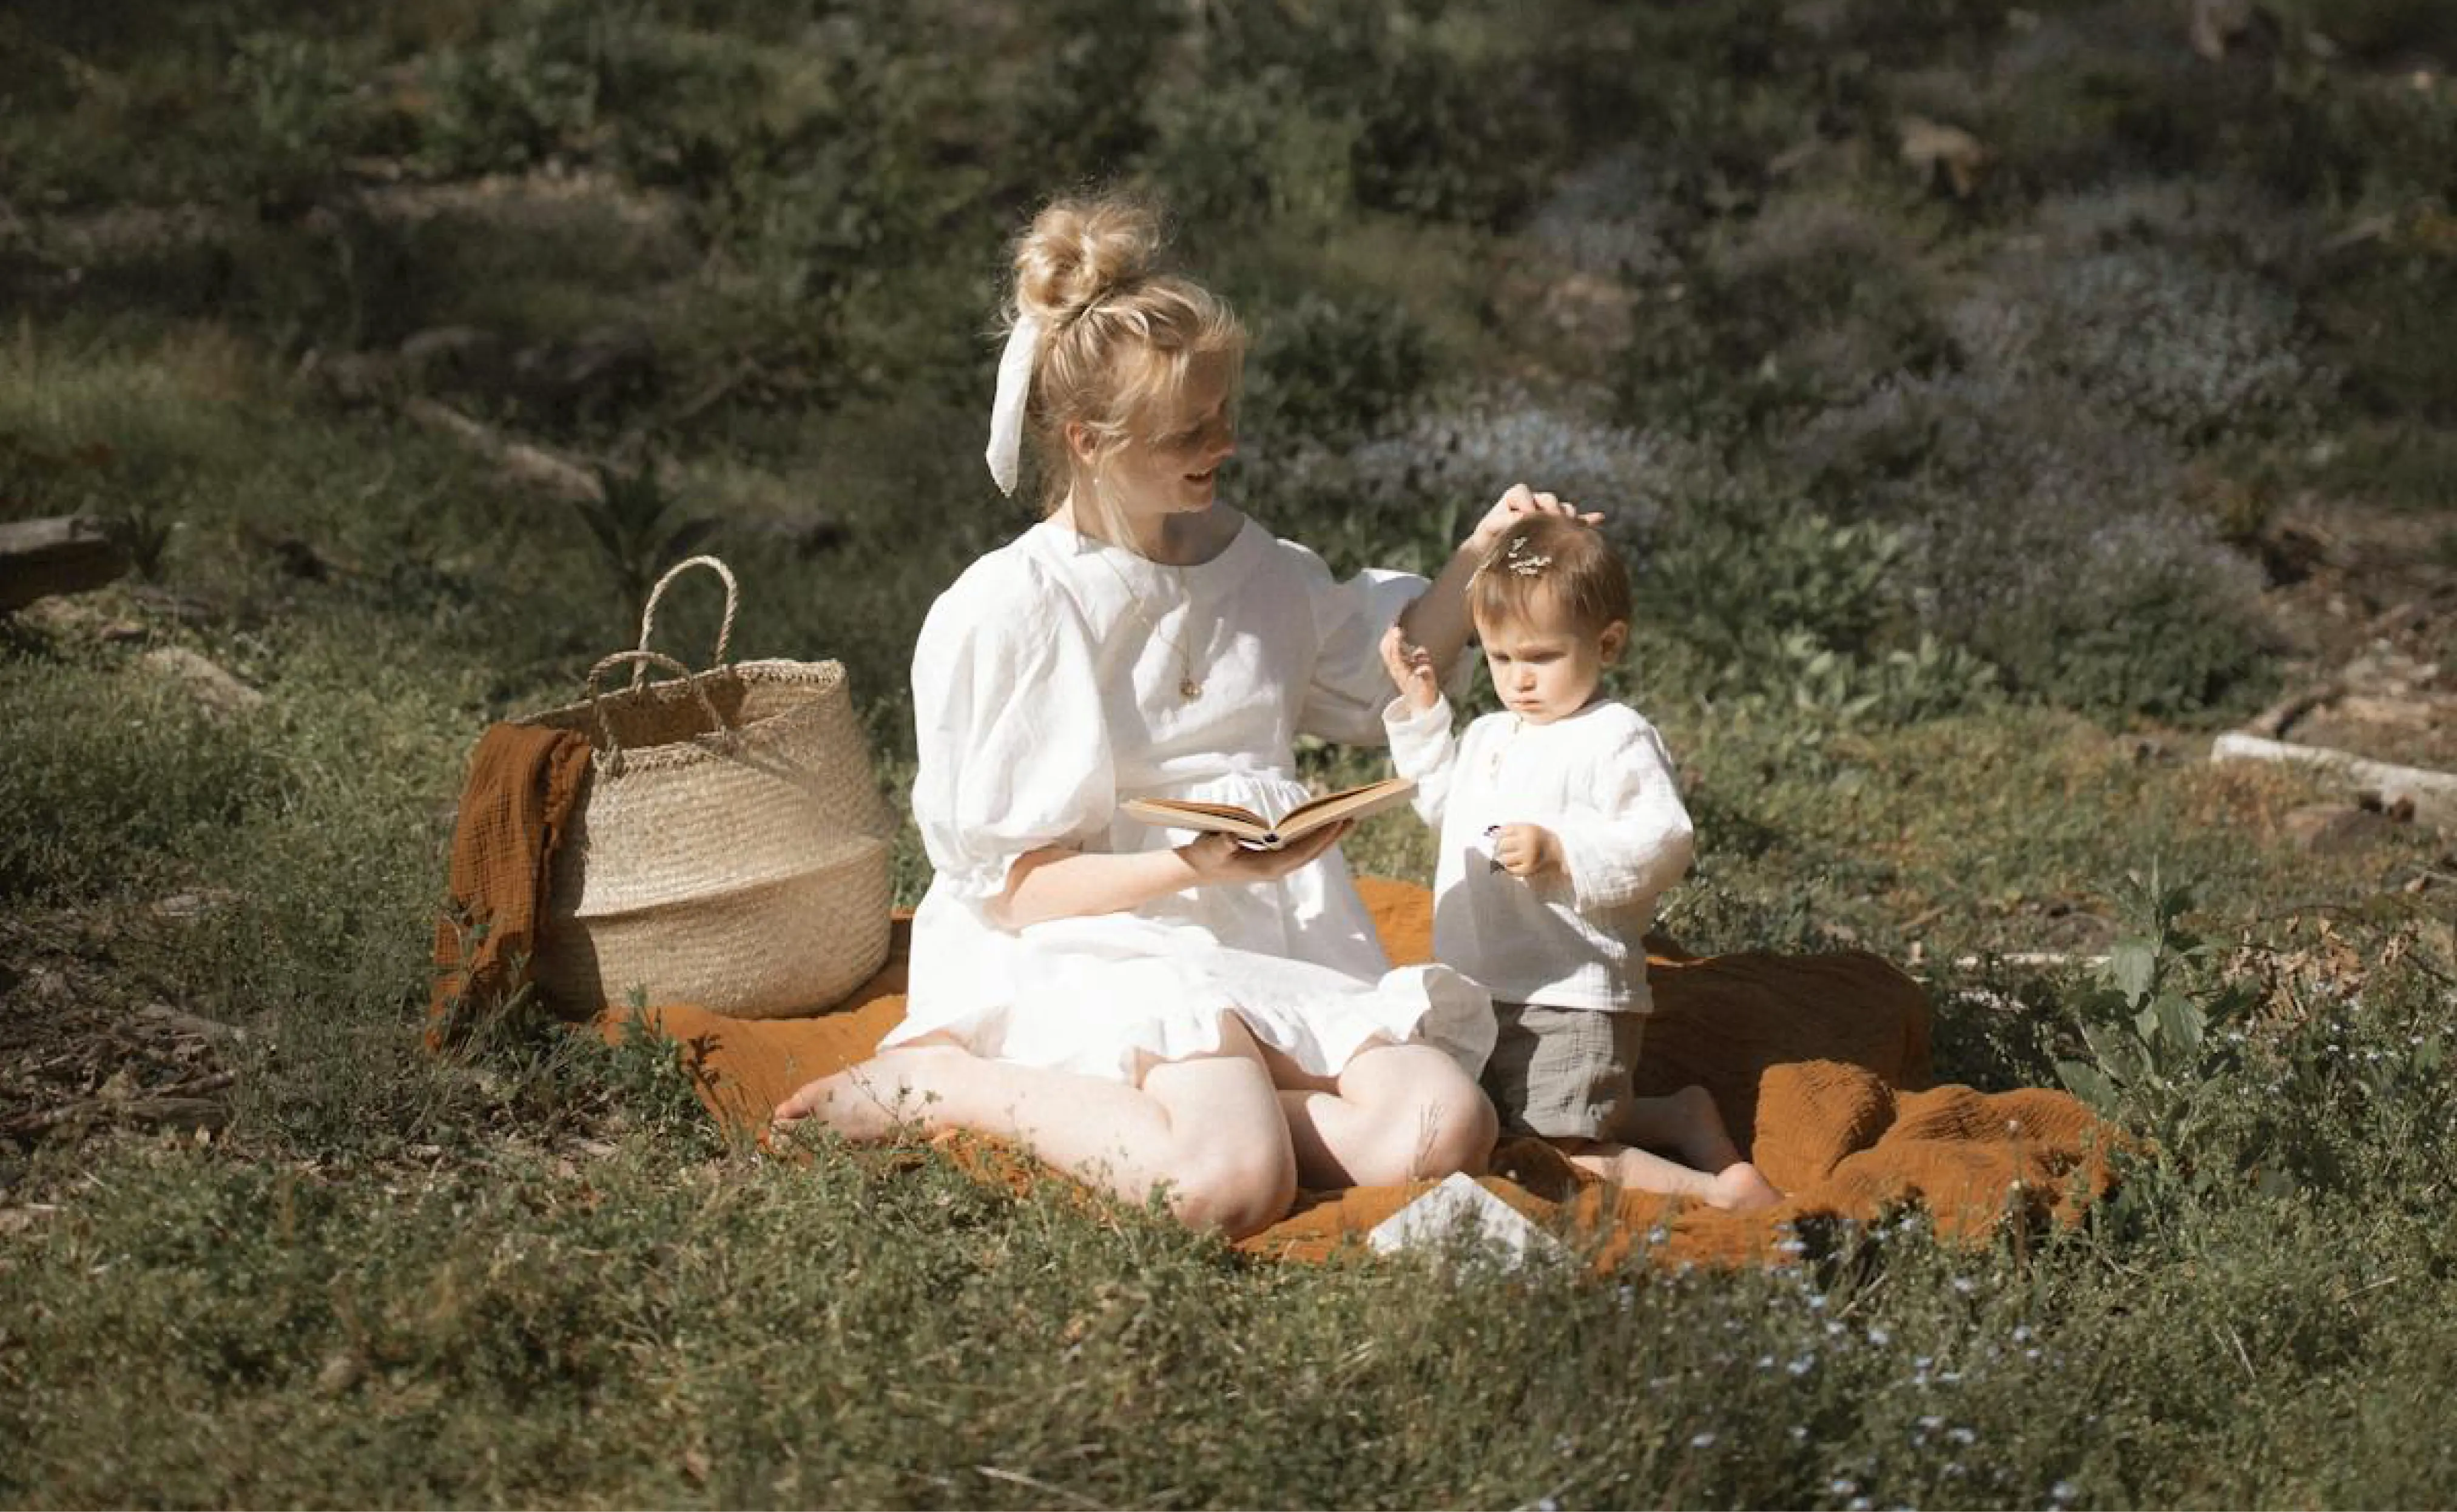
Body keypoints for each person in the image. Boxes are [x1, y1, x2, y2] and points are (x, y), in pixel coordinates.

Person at [774, 192, 1586, 1239]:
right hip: (1097, 939)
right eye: (1190, 430)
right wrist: (1192, 866)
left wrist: (1480, 554)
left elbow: (1391, 672)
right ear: (1089, 439)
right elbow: (1019, 892)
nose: (1227, 442)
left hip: (1264, 932)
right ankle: (949, 1081)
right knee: (1229, 1189)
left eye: (1225, 412)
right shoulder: (1020, 609)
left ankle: (1206, 1100)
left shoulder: (1260, 572)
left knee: (1442, 1128)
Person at [1378, 514, 1782, 1212]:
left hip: (1569, 987)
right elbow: (1444, 804)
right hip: (1483, 981)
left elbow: (1663, 839)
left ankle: (1716, 1192)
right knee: (1514, 1120)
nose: (1518, 681)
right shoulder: (1487, 735)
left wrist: (1564, 850)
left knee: (1564, 1145)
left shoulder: (1614, 738)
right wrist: (1422, 713)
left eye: (1540, 658)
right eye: (1501, 660)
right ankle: (1679, 1116)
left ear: (1607, 644)